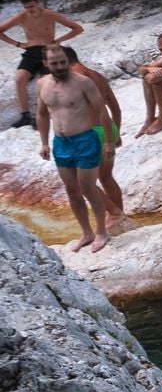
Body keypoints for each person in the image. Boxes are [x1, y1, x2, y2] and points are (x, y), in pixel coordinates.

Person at [34, 46, 114, 252]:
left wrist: (108, 141)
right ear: (46, 64)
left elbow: (101, 111)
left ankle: (101, 232)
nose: (60, 67)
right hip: (61, 143)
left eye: (63, 62)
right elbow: (42, 114)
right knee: (72, 190)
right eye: (55, 63)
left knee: (88, 188)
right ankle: (86, 233)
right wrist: (43, 142)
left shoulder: (82, 82)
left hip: (84, 139)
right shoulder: (42, 84)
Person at [63, 49, 130, 233]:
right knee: (106, 177)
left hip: (89, 133)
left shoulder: (75, 78)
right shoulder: (97, 76)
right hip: (106, 130)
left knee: (81, 181)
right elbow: (116, 109)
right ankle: (119, 218)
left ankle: (115, 213)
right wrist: (114, 134)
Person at [0, 0, 85, 128]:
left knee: (47, 80)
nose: (29, 10)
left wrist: (59, 40)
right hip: (31, 51)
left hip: (49, 49)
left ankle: (44, 114)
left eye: (31, 7)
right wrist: (17, 44)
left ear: (37, 3)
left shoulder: (50, 15)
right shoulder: (21, 16)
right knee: (19, 79)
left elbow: (77, 28)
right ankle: (25, 116)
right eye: (26, 7)